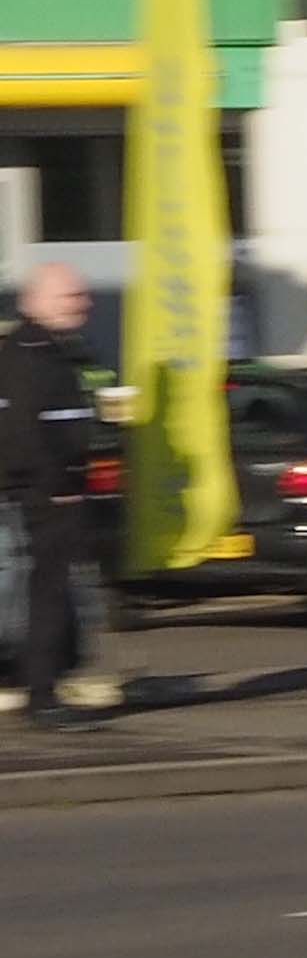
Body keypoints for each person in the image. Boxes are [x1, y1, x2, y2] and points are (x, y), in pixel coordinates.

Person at [1, 259, 105, 729]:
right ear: (37, 300)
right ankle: (41, 696)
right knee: (45, 594)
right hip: (44, 497)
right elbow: (23, 432)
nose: (83, 304)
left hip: (52, 491)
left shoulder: (51, 349)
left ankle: (47, 683)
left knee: (54, 593)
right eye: (71, 296)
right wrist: (57, 486)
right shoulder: (28, 353)